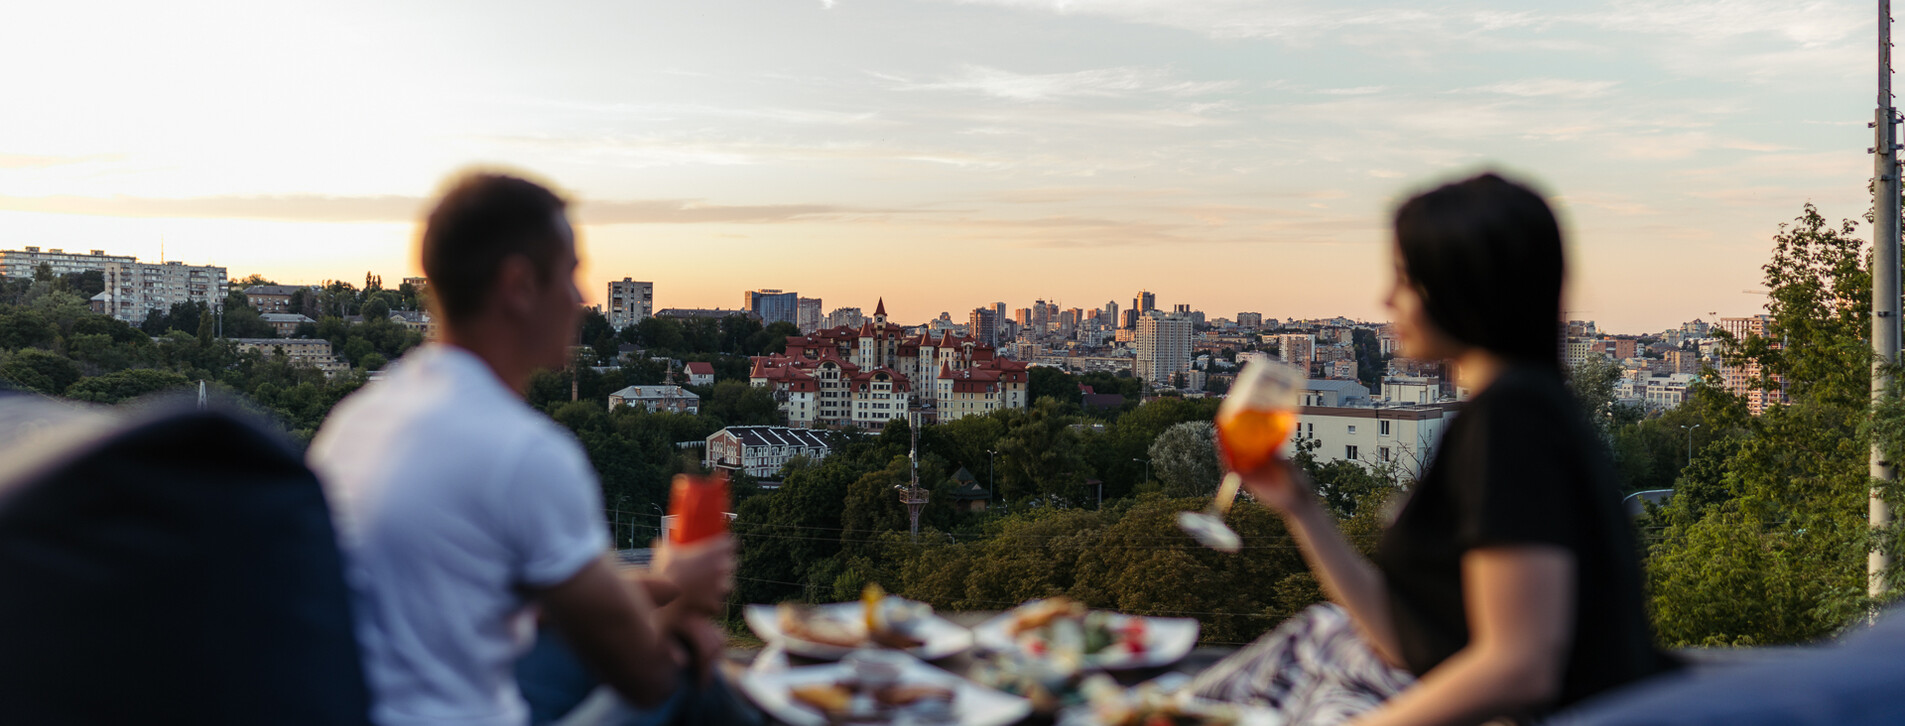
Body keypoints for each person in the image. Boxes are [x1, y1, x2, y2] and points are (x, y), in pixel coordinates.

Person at [1189, 173, 1676, 725]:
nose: (1387, 299)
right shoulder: (1514, 407)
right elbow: (1410, 643)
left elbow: (1522, 665)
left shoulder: (1514, 419)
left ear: (1463, 287)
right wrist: (1301, 505)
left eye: (1406, 277)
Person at [309, 171, 751, 726]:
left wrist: (666, 583)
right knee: (694, 685)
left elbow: (537, 603)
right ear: (518, 286)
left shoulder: (357, 419)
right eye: (569, 275)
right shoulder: (522, 452)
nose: (582, 299)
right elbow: (648, 677)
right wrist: (683, 617)